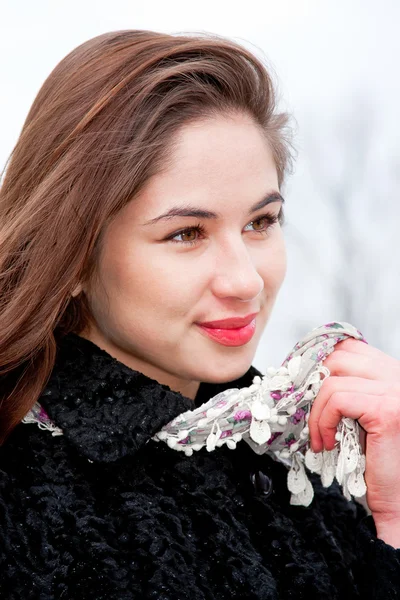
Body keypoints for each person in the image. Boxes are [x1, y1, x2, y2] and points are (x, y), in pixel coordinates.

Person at [0, 29, 400, 600]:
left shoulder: (297, 472)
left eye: (260, 223)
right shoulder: (22, 503)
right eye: (187, 233)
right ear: (73, 257)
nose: (245, 280)